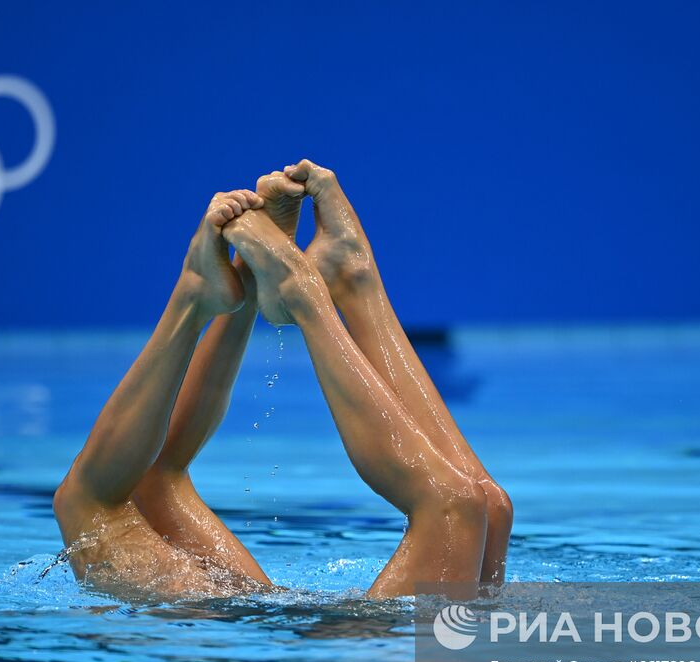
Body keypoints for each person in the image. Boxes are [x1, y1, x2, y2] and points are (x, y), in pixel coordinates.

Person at [52, 161, 512, 600]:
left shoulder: (182, 623)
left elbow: (145, 472)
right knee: (483, 508)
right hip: (356, 647)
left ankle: (275, 292)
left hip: (315, 644)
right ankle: (350, 283)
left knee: (89, 497)